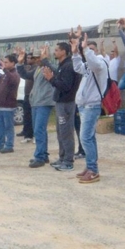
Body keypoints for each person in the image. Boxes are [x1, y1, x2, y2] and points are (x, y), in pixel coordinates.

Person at [72, 31, 110, 184]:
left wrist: (86, 49)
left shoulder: (100, 64)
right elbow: (77, 67)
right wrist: (75, 53)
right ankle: (90, 167)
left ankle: (93, 170)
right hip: (83, 105)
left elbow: (93, 62)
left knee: (85, 137)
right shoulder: (88, 66)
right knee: (89, 137)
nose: (88, 51)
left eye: (91, 49)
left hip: (92, 105)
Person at [48, 42, 78, 171]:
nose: (54, 52)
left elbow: (65, 86)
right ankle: (62, 157)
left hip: (66, 103)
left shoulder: (68, 66)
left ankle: (68, 161)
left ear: (64, 52)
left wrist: (51, 79)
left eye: (57, 50)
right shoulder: (62, 65)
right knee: (60, 132)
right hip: (60, 102)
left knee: (66, 132)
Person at [0, 53, 20, 153]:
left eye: (6, 62)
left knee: (8, 127)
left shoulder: (14, 74)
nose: (4, 64)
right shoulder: (4, 75)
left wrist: (4, 69)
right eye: (3, 62)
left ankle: (9, 145)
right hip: (0, 105)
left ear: (13, 63)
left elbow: (12, 80)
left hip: (9, 106)